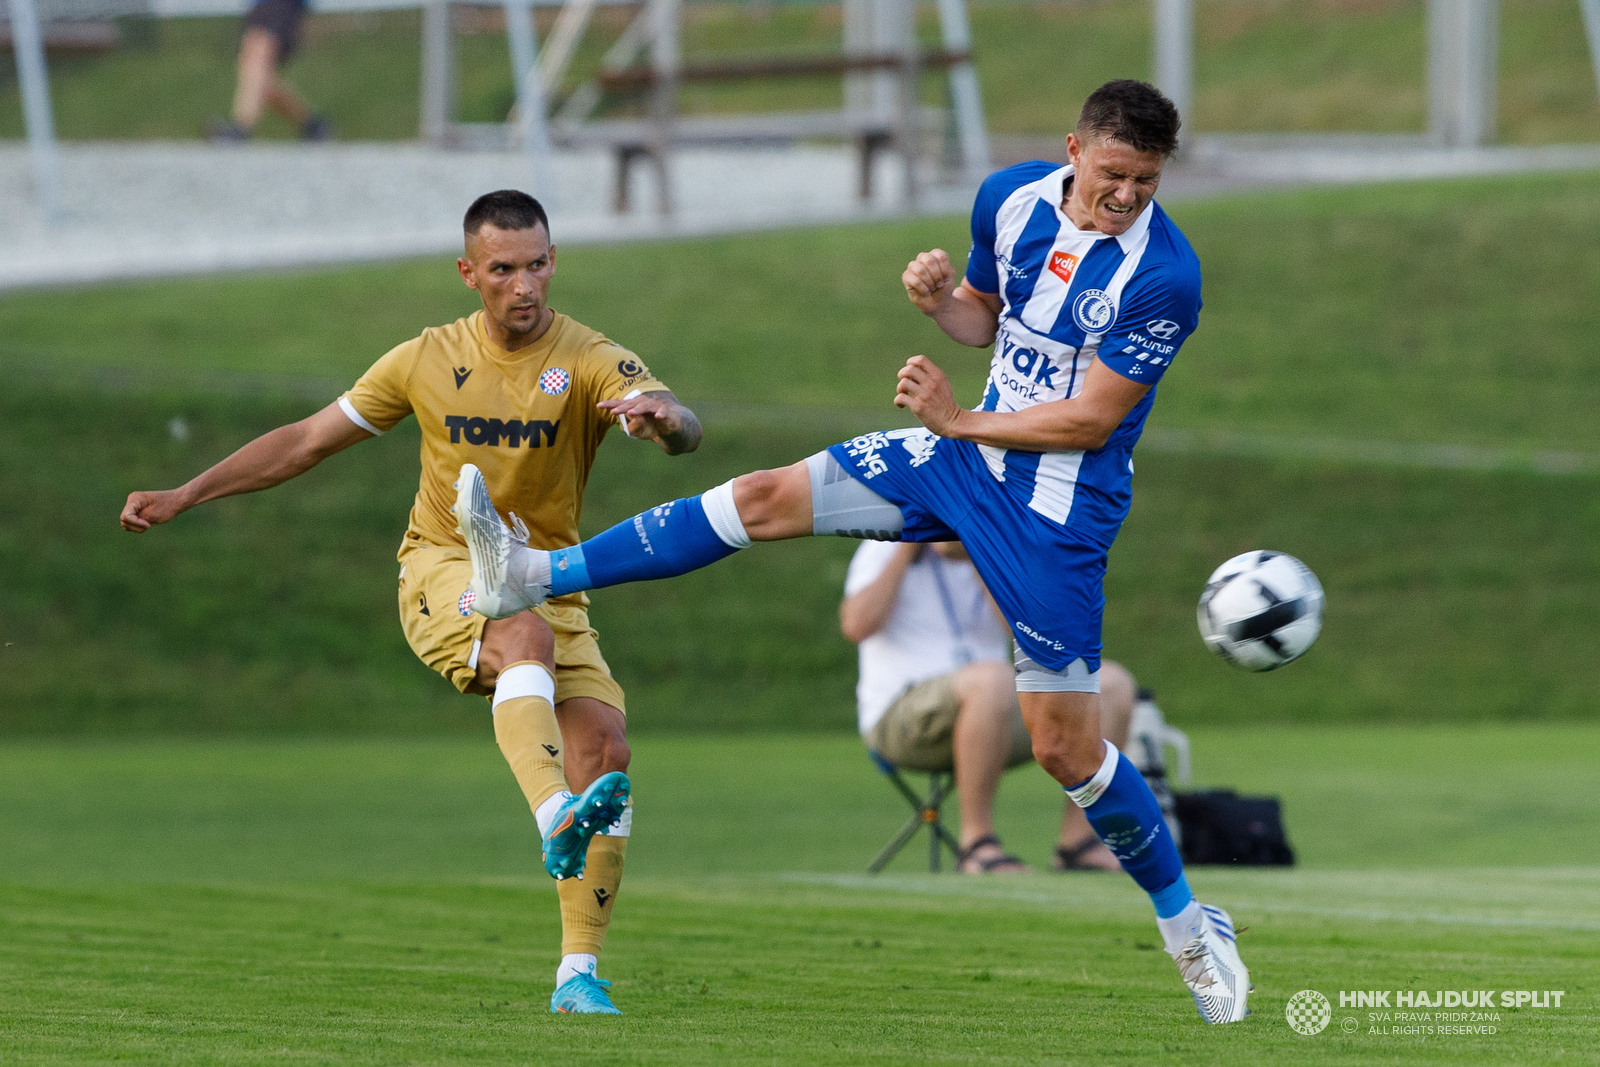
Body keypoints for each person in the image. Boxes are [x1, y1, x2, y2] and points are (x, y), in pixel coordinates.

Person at [453, 79, 1252, 1024]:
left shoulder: (1167, 275)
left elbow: (1091, 418)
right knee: (764, 495)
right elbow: (989, 319)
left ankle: (1189, 925)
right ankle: (532, 572)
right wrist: (941, 302)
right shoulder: (1008, 198)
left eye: (1147, 183)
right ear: (1074, 149)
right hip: (958, 458)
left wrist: (960, 416)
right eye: (1114, 175)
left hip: (1055, 511)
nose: (1127, 197)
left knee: (1065, 746)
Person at [119, 190, 701, 1015]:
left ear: (554, 260)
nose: (525, 284)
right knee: (521, 635)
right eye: (504, 269)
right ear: (470, 274)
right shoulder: (424, 359)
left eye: (538, 263)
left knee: (606, 750)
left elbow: (683, 424)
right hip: (444, 568)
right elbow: (307, 441)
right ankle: (552, 820)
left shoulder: (592, 356)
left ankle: (577, 976)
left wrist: (662, 418)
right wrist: (188, 491)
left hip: (546, 574)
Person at [840, 539, 1134, 873]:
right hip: (902, 717)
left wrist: (982, 558)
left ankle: (1078, 843)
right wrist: (906, 550)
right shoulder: (884, 543)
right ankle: (977, 844)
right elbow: (856, 625)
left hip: (999, 706)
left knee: (1110, 684)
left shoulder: (997, 540)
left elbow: (1033, 635)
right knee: (993, 681)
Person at [206, 0, 331, 143]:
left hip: (282, 5)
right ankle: (312, 124)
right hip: (260, 6)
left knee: (256, 60)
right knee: (254, 73)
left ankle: (240, 128)